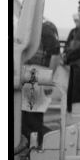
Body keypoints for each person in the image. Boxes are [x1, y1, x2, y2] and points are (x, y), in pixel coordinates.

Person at [21, 18, 61, 146]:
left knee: (32, 119)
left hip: (36, 78)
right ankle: (31, 146)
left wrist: (48, 80)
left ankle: (35, 148)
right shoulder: (28, 30)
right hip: (28, 77)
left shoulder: (44, 29)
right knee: (26, 118)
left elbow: (55, 55)